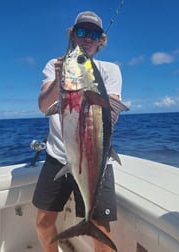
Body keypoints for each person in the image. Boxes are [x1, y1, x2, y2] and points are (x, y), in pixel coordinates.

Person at [32, 11, 123, 252]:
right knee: (43, 222)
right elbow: (44, 106)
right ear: (73, 35)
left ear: (100, 40)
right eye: (82, 32)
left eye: (94, 34)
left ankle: (89, 224)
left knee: (100, 228)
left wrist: (82, 86)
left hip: (96, 158)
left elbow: (110, 114)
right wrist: (61, 78)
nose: (88, 38)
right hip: (58, 156)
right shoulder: (55, 65)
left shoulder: (110, 70)